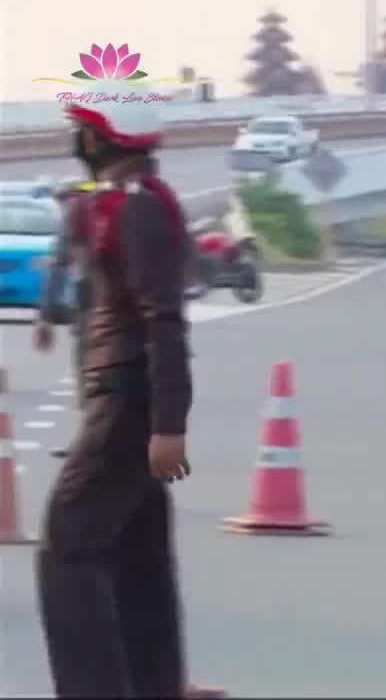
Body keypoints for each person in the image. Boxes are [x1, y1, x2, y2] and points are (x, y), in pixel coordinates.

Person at [36, 90, 222, 699]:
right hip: (120, 391)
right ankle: (153, 684)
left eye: (81, 130)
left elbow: (162, 317)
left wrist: (169, 424)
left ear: (100, 137)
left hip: (127, 394)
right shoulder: (118, 200)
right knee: (136, 554)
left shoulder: (139, 207)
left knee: (68, 547)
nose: (76, 141)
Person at [34, 178, 97, 458]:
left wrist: (45, 316)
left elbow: (58, 267)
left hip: (91, 310)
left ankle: (88, 441)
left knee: (89, 374)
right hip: (132, 312)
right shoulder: (121, 208)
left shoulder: (76, 215)